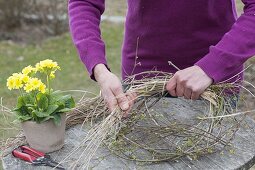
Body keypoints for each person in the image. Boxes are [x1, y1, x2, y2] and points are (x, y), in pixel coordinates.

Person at [68, 0, 255, 114]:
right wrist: (99, 69)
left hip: (213, 82)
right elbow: (84, 2)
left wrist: (212, 66)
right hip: (142, 79)